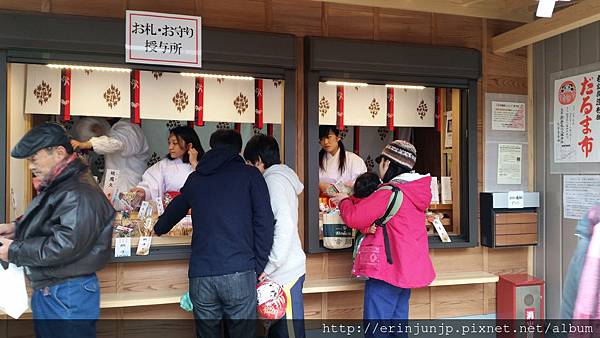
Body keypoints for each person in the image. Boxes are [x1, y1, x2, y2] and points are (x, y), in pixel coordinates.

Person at [153, 129, 274, 338]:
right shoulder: (250, 175)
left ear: (211, 147)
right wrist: (258, 265)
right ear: (240, 150)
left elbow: (171, 214)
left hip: (202, 276)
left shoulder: (197, 178)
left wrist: (158, 228)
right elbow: (265, 223)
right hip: (239, 271)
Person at [0, 123, 115, 338]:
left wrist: (14, 251)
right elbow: (55, 222)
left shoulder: (78, 190)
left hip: (67, 293)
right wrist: (17, 228)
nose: (30, 166)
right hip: (58, 290)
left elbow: (65, 245)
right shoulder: (63, 183)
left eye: (34, 158)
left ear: (59, 153)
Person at [330, 140, 435, 331]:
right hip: (407, 269)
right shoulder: (415, 190)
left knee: (376, 328)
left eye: (382, 162)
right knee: (398, 325)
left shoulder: (388, 192)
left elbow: (354, 218)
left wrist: (344, 200)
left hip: (387, 269)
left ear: (388, 163)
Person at [243, 134, 306, 338]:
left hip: (284, 272)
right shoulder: (281, 178)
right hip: (284, 269)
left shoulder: (273, 182)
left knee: (288, 333)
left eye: (250, 163)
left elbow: (284, 226)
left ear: (259, 160)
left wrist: (269, 265)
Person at [70, 117, 149, 197]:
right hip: (112, 183)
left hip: (127, 184)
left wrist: (88, 144)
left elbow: (118, 143)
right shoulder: (108, 126)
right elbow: (86, 130)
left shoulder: (130, 127)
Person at [131, 126, 204, 202]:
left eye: (175, 143)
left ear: (189, 146)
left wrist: (194, 163)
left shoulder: (203, 164)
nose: (170, 147)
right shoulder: (163, 165)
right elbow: (151, 184)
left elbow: (206, 185)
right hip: (170, 209)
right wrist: (144, 191)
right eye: (169, 143)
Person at [318, 125, 367, 194]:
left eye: (329, 137)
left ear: (338, 137)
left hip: (347, 202)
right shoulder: (316, 160)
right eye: (322, 138)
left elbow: (362, 187)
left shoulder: (354, 160)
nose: (325, 142)